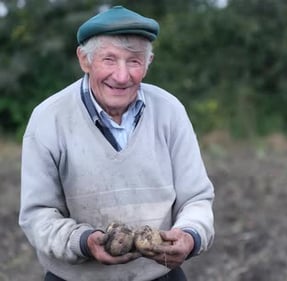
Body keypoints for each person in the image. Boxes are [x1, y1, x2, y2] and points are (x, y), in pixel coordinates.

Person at [18, 5, 215, 281]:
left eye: (134, 61)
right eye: (109, 60)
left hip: (159, 277)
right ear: (84, 61)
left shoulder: (170, 112)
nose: (122, 76)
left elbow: (196, 199)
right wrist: (84, 241)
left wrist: (191, 236)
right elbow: (37, 215)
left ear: (148, 64)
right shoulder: (48, 119)